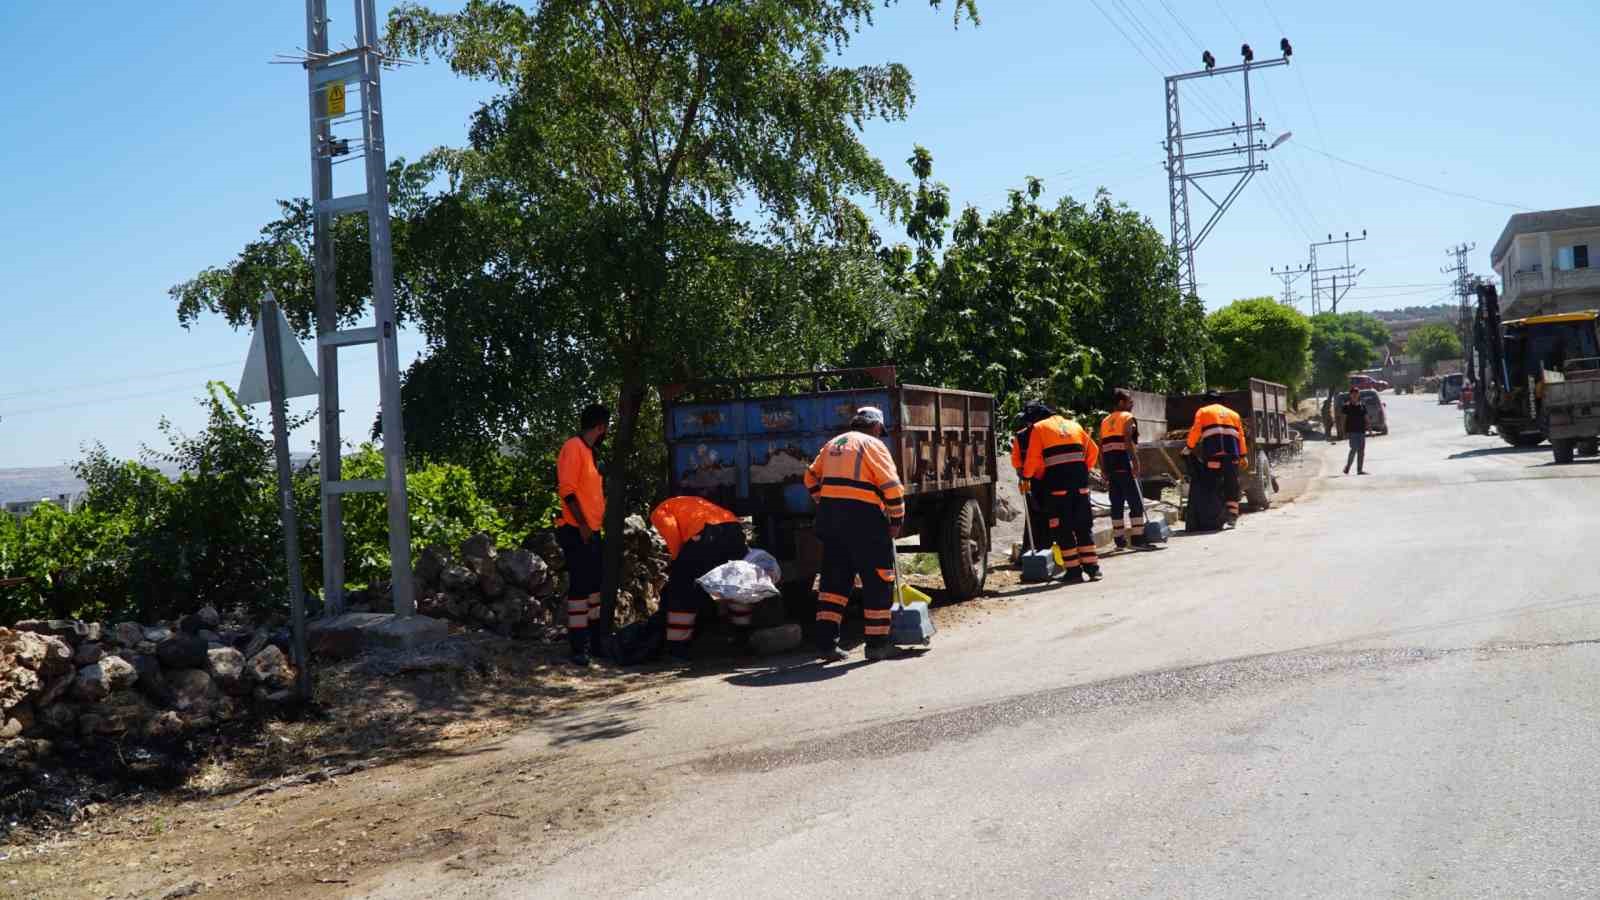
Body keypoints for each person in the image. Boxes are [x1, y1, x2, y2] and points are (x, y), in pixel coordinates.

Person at [803, 406, 906, 662]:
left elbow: (809, 477)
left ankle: (827, 645)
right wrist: (896, 519)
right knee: (879, 581)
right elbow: (892, 487)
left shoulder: (832, 444)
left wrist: (826, 501)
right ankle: (877, 645)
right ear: (875, 427)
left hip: (830, 520)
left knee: (833, 583)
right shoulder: (873, 445)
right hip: (863, 521)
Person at [650, 495, 749, 663]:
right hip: (733, 531)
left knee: (681, 590)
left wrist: (677, 562)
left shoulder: (660, 510)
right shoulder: (687, 502)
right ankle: (742, 638)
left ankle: (677, 649)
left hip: (707, 534)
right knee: (735, 584)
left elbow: (672, 535)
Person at [555, 403, 609, 666]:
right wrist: (584, 526)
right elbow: (567, 491)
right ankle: (579, 647)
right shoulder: (573, 447)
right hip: (576, 530)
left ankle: (596, 643)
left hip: (591, 530)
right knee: (579, 588)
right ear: (601, 426)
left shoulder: (590, 452)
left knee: (593, 590)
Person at [1022, 406, 1102, 583]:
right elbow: (1094, 450)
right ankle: (1093, 569)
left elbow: (1033, 459)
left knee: (1062, 528)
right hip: (1081, 485)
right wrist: (1083, 469)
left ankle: (1073, 571)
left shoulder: (1039, 428)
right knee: (1082, 525)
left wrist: (1026, 476)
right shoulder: (1074, 425)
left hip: (1058, 487)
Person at [1183, 391, 1248, 531]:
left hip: (1213, 455)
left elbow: (1195, 431)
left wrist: (1189, 447)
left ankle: (1216, 516)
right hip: (1232, 456)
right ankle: (1232, 517)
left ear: (1207, 401)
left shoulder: (1203, 411)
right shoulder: (1234, 414)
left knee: (1213, 485)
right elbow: (1241, 437)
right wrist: (1243, 455)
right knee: (1231, 485)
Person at [1099, 390, 1147, 549]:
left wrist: (1103, 469)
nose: (1132, 403)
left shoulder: (1105, 421)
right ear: (1121, 403)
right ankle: (1138, 539)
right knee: (1136, 502)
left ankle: (1119, 540)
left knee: (1116, 504)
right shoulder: (1127, 418)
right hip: (1125, 465)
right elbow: (1128, 441)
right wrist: (1135, 461)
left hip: (1112, 467)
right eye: (1129, 401)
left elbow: (1102, 447)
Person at [1009, 401, 1053, 552]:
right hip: (1042, 479)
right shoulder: (1044, 433)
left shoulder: (1020, 436)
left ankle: (1034, 549)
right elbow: (1017, 461)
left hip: (1032, 479)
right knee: (1040, 514)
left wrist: (1023, 477)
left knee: (1034, 516)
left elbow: (1016, 461)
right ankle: (1037, 549)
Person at [1341, 387, 1369, 475]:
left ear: (1358, 395)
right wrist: (1343, 432)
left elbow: (1366, 418)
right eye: (1353, 394)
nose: (1355, 396)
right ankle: (1348, 467)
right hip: (1352, 432)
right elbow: (1343, 420)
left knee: (1361, 451)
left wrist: (1370, 429)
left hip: (1361, 431)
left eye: (1356, 394)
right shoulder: (1346, 406)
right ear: (1350, 395)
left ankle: (1359, 470)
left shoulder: (1362, 406)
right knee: (1354, 449)